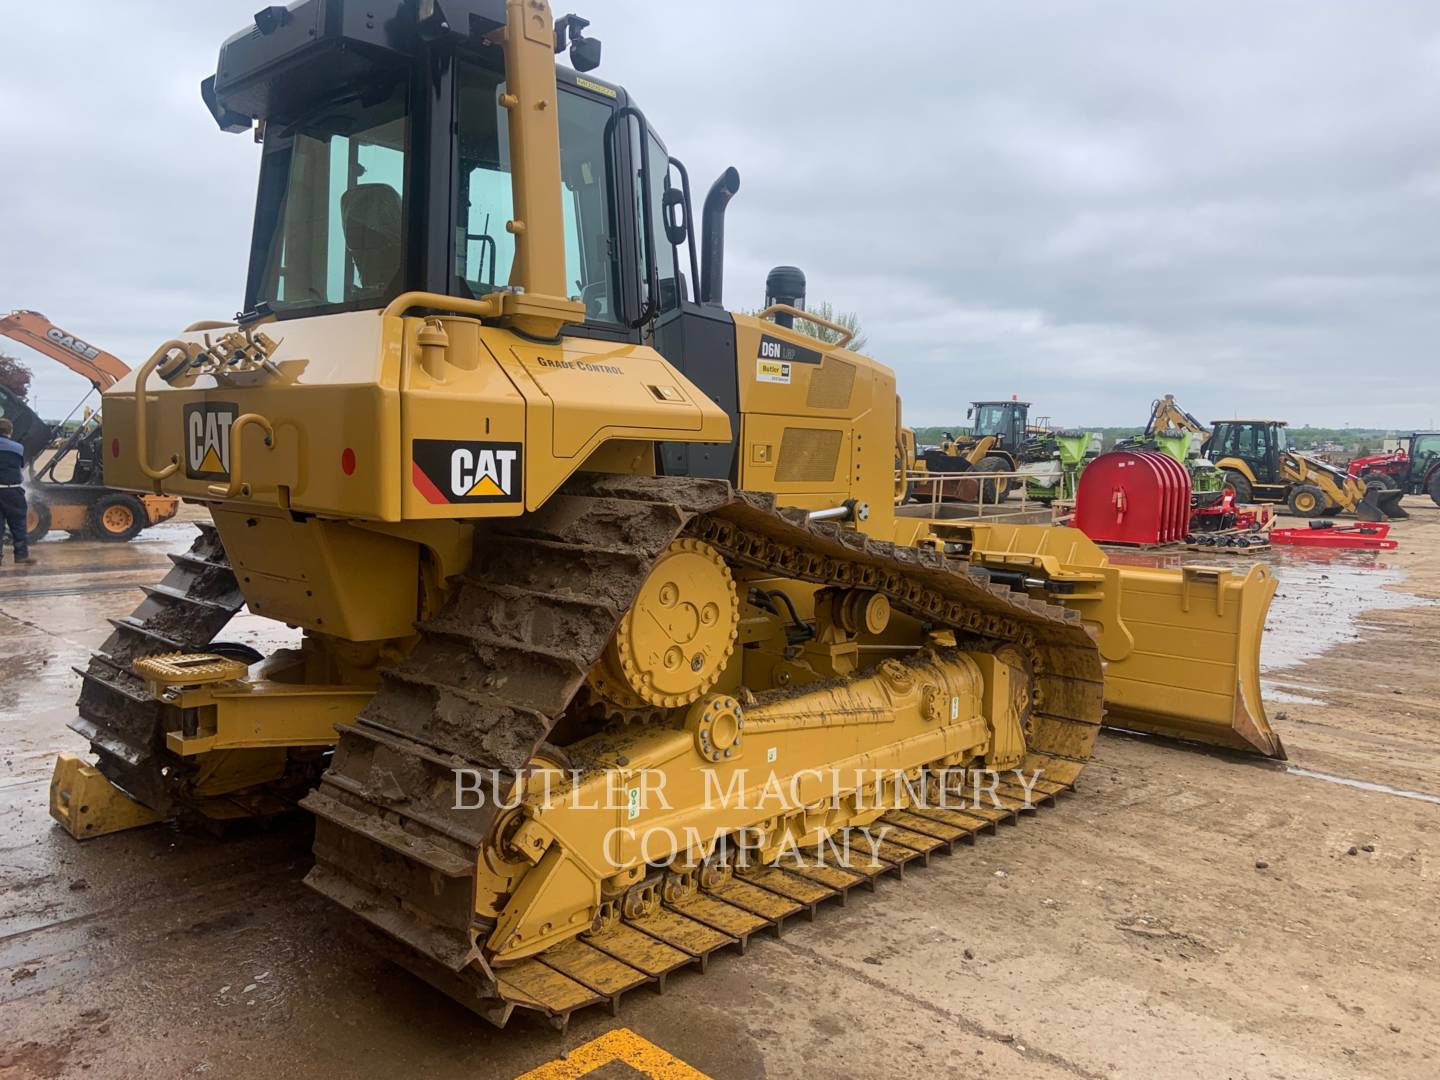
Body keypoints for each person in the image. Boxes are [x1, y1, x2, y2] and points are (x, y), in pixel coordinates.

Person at [0, 417, 35, 567]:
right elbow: (19, 465)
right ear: (10, 431)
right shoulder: (17, 447)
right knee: (18, 524)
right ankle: (21, 556)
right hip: (13, 491)